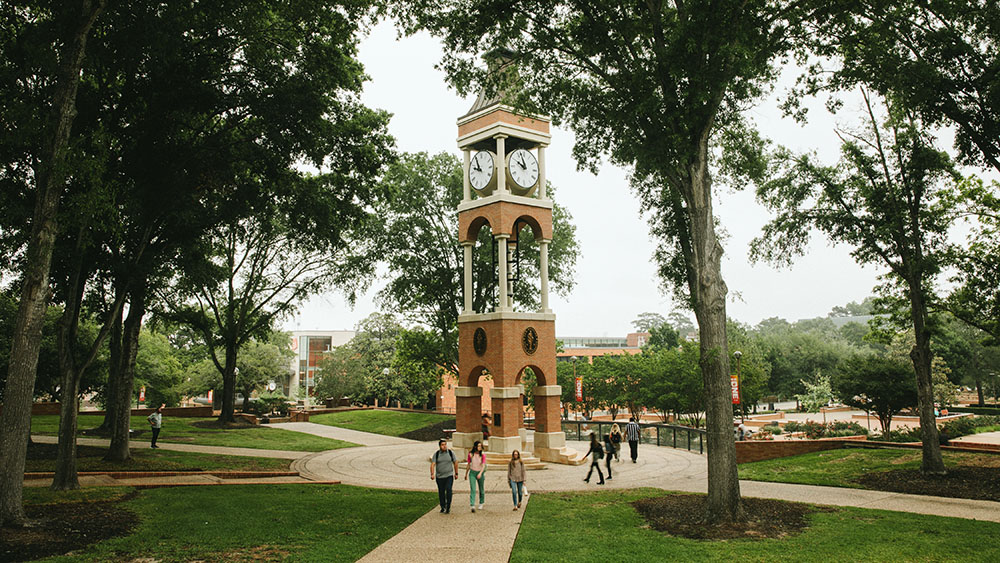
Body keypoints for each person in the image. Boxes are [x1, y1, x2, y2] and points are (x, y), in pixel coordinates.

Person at [430, 439, 458, 514]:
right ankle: (443, 506)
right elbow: (433, 464)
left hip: (449, 475)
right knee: (441, 492)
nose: (444, 446)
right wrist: (432, 474)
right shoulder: (437, 454)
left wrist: (456, 473)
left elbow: (455, 462)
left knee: (449, 490)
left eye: (445, 444)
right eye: (442, 445)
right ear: (439, 446)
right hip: (440, 477)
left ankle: (448, 506)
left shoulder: (450, 453)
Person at [464, 440, 487, 512]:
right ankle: (472, 504)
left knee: (481, 489)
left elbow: (483, 465)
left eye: (480, 446)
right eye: (478, 446)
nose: (480, 447)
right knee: (473, 489)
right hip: (472, 473)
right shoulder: (470, 454)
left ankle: (481, 502)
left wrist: (480, 473)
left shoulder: (482, 455)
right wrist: (466, 474)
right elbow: (468, 464)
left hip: (480, 472)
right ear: (475, 447)